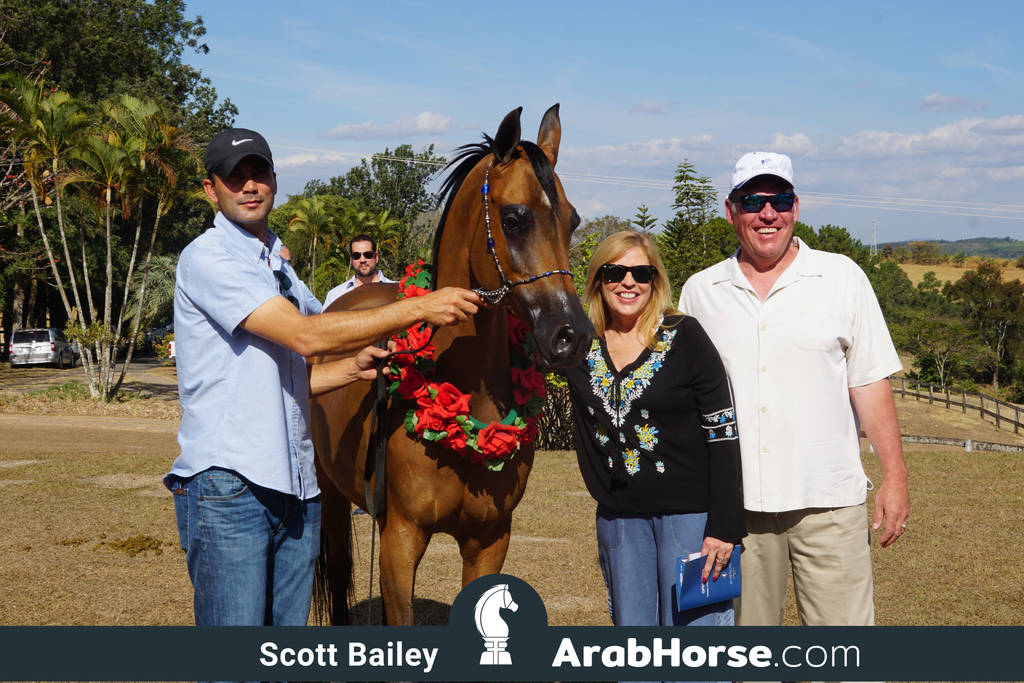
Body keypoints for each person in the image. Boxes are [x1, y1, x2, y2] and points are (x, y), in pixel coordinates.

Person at [164, 127, 481, 627]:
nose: (249, 186)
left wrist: (349, 370)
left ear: (274, 179)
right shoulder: (210, 258)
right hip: (230, 488)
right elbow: (305, 336)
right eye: (234, 177)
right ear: (211, 189)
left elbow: (289, 378)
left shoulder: (278, 265)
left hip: (296, 486)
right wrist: (418, 306)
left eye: (258, 172)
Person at [679, 151, 910, 627]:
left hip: (828, 503)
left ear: (796, 207)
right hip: (733, 515)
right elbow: (684, 402)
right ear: (731, 210)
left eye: (779, 199)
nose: (768, 213)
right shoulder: (700, 292)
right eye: (753, 201)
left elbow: (869, 382)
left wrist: (895, 476)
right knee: (745, 662)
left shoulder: (842, 276)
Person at [561, 230, 744, 628]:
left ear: (655, 281)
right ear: (598, 280)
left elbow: (723, 434)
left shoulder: (685, 336)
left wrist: (724, 528)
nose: (629, 282)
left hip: (691, 522)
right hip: (620, 522)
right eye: (615, 273)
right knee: (634, 641)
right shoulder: (577, 346)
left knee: (697, 645)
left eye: (641, 274)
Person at [322, 234, 395, 308]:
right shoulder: (335, 296)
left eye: (368, 255)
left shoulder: (398, 290)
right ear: (351, 259)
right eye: (356, 256)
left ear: (376, 257)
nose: (362, 260)